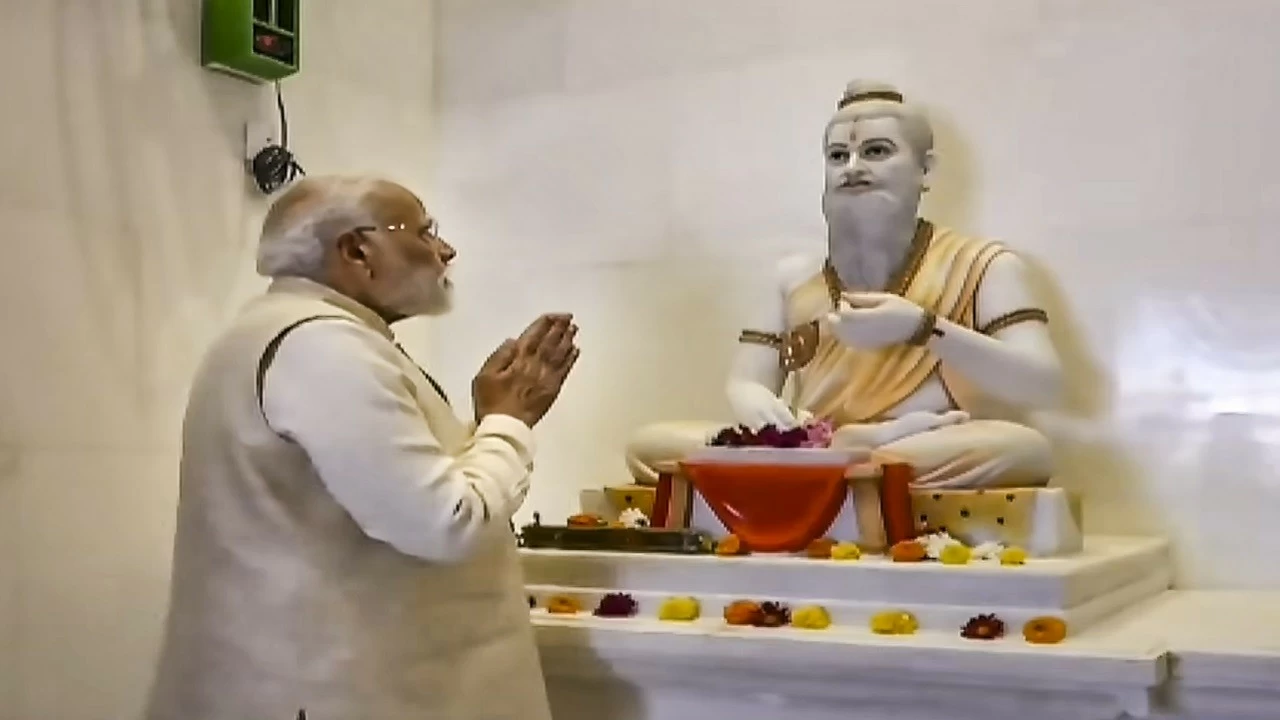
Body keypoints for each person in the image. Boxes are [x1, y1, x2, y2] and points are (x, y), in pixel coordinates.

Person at [145, 175, 578, 720]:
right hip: (330, 691)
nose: (445, 250)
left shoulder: (290, 332)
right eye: (424, 232)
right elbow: (445, 522)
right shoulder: (322, 345)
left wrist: (483, 422)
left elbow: (385, 493)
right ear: (356, 249)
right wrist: (508, 422)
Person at [625, 79, 1060, 490]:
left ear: (924, 169)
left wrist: (923, 328)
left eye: (875, 152)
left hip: (915, 443)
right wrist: (752, 401)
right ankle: (844, 456)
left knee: (1022, 449)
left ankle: (843, 459)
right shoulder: (791, 278)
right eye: (838, 157)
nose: (852, 169)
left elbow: (1044, 386)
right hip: (811, 445)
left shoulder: (984, 265)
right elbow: (747, 381)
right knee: (650, 445)